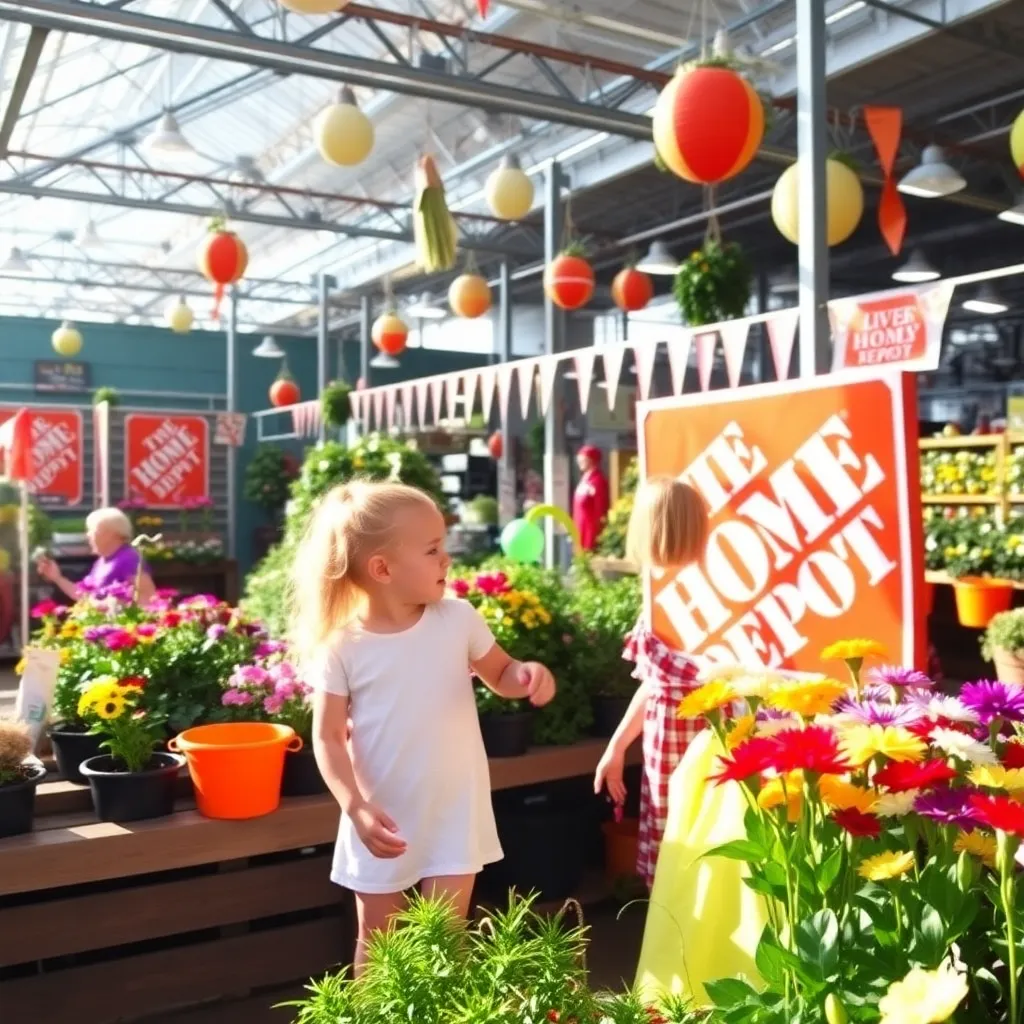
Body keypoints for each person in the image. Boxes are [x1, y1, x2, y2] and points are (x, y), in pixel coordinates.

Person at [292, 480, 556, 975]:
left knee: (447, 941)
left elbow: (500, 673)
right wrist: (356, 808)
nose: (447, 559)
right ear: (382, 569)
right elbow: (327, 738)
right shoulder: (343, 645)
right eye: (433, 549)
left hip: (455, 809)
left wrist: (525, 674)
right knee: (378, 944)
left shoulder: (457, 619)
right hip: (382, 820)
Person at [592, 475, 709, 890]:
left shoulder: (698, 598)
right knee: (696, 847)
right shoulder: (672, 595)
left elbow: (658, 684)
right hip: (695, 734)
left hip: (687, 736)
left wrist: (618, 746)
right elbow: (655, 684)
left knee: (681, 848)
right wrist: (617, 745)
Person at [36, 507, 155, 605]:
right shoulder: (101, 562)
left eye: (92, 530)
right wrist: (57, 578)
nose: (87, 536)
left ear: (111, 533)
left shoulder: (129, 558)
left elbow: (148, 598)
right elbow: (85, 597)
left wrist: (115, 608)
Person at [572, 444, 610, 551]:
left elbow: (600, 509)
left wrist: (596, 534)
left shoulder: (598, 481)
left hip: (590, 533)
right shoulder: (584, 479)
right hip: (580, 529)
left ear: (592, 460)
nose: (579, 462)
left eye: (583, 459)